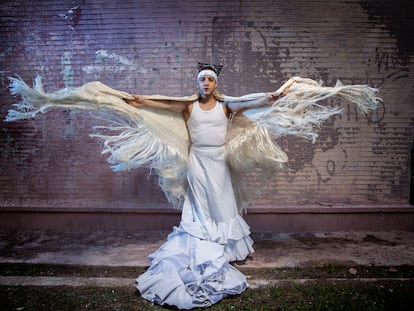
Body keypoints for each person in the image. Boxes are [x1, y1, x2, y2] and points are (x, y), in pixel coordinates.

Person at [125, 64, 281, 309]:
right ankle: (204, 241)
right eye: (202, 80)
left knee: (222, 201)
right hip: (197, 160)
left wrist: (267, 98)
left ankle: (225, 250)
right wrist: (141, 102)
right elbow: (165, 104)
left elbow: (247, 102)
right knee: (200, 203)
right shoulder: (189, 106)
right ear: (198, 84)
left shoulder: (225, 106)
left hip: (219, 161)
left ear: (215, 83)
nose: (206, 83)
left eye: (210, 79)